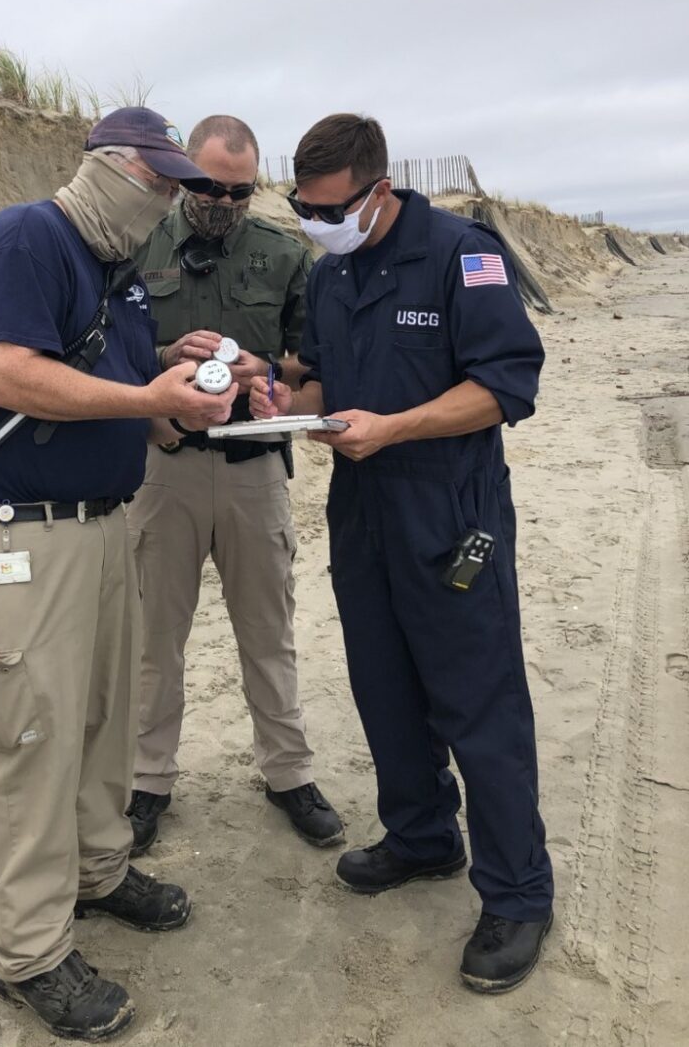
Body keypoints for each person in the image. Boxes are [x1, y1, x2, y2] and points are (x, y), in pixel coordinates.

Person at [0, 108, 238, 1042]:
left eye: (174, 185)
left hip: (101, 528)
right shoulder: (25, 237)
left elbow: (125, 400)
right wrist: (147, 392)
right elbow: (5, 376)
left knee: (103, 716)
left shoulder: (119, 274)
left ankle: (99, 870)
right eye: (156, 178)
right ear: (105, 165)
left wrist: (177, 379)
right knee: (27, 738)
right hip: (20, 541)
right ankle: (26, 952)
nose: (167, 199)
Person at [251, 113, 554, 994]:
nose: (316, 223)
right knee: (383, 685)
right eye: (303, 209)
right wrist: (286, 400)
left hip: (448, 508)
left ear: (377, 190)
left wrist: (394, 427)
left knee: (478, 703)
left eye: (329, 209)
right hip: (362, 510)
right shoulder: (332, 273)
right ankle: (422, 836)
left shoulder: (464, 256)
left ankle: (517, 895)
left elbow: (505, 386)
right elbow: (321, 376)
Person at [125, 115, 343, 855]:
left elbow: (313, 361)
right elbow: (101, 349)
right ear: (185, 173)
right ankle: (147, 779)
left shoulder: (284, 255)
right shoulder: (136, 244)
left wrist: (268, 374)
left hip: (254, 469)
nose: (223, 202)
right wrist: (162, 359)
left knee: (268, 630)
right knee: (154, 638)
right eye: (210, 187)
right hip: (164, 467)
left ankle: (288, 773)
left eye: (240, 192)